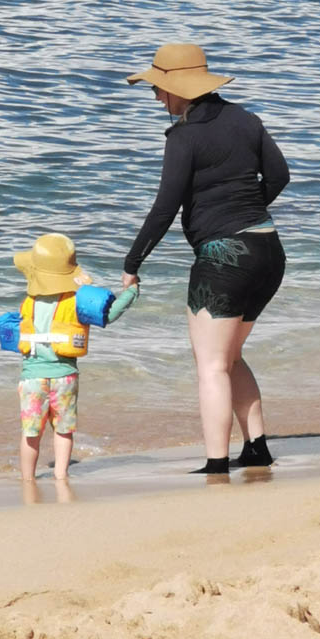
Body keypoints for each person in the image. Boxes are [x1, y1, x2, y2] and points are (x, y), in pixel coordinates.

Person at [122, 44, 289, 475]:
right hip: (268, 250)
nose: (158, 98)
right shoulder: (248, 120)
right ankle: (256, 449)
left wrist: (132, 262)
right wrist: (249, 212)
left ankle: (216, 463)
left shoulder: (184, 136)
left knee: (212, 364)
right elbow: (280, 175)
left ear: (179, 89)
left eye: (160, 89)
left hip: (223, 258)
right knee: (229, 357)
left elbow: (165, 206)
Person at [3, 232, 138, 481]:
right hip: (64, 378)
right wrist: (131, 292)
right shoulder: (77, 302)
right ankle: (61, 475)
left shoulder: (27, 303)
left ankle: (27, 479)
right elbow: (109, 315)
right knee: (63, 430)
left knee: (30, 433)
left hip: (32, 379)